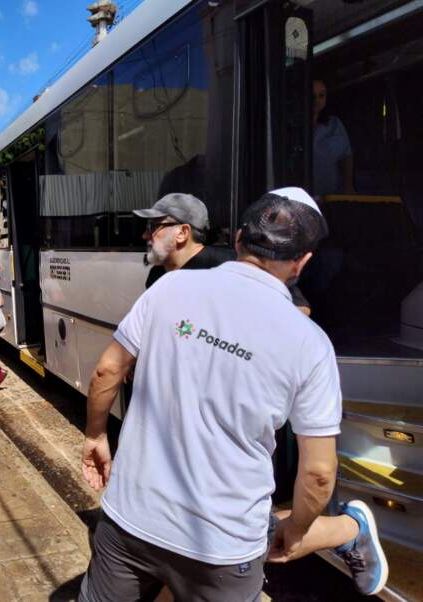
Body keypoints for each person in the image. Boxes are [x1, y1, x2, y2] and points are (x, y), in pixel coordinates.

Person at [80, 188, 387, 601]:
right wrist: (297, 531)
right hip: (223, 552)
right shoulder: (311, 344)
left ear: (239, 238)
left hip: (128, 524)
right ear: (303, 261)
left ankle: (349, 530)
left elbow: (107, 370)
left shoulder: (169, 289)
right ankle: (348, 530)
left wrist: (95, 435)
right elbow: (318, 473)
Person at [139, 193, 311, 315]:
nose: (145, 236)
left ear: (182, 233)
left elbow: (300, 309)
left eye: (153, 227)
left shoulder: (233, 264)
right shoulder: (157, 276)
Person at [313, 79, 354, 197]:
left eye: (321, 95)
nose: (317, 100)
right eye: (313, 96)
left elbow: (346, 156)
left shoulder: (334, 124)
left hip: (329, 195)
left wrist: (348, 186)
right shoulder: (292, 125)